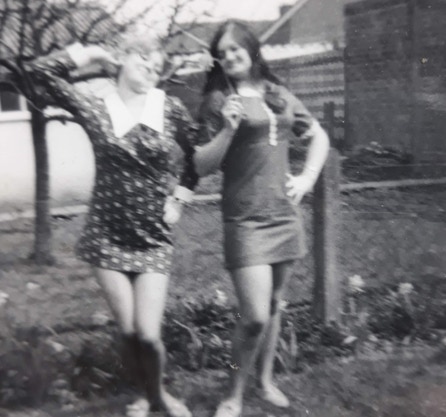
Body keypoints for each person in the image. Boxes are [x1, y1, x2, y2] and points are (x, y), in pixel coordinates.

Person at [27, 37, 198, 417]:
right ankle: (147, 395)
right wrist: (90, 53)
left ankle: (159, 394)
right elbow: (40, 72)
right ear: (122, 59)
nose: (151, 68)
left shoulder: (169, 108)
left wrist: (181, 198)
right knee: (129, 332)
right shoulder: (96, 108)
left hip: (153, 238)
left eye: (157, 66)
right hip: (106, 237)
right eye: (144, 58)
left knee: (149, 335)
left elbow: (196, 158)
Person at [193, 21, 330, 417]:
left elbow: (319, 136)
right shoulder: (218, 100)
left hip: (284, 215)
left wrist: (307, 178)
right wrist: (227, 129)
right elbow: (200, 165)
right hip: (245, 220)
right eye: (222, 53)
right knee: (253, 316)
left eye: (235, 49)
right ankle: (233, 393)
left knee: (274, 305)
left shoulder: (278, 93)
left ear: (251, 50)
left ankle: (265, 382)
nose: (229, 57)